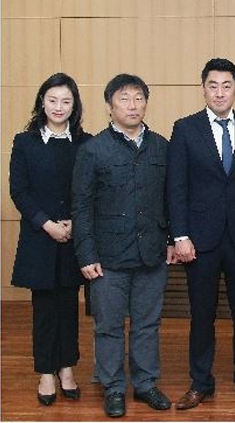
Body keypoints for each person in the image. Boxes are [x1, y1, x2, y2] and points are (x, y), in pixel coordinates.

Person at [167, 58, 235, 411]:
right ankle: (200, 383)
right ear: (203, 89)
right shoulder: (185, 129)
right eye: (213, 85)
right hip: (199, 239)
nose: (220, 92)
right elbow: (176, 186)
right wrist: (179, 235)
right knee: (202, 314)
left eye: (227, 86)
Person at [72, 74, 173, 418]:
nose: (132, 105)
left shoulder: (161, 147)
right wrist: (86, 254)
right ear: (109, 106)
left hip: (151, 253)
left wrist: (171, 239)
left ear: (146, 103)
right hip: (107, 257)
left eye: (138, 98)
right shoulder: (93, 150)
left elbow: (171, 199)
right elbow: (81, 206)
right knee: (108, 327)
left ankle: (145, 384)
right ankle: (114, 387)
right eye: (124, 99)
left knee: (147, 324)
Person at [9, 73, 91, 407]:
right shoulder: (25, 142)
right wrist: (46, 224)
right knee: (43, 308)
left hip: (73, 238)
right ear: (42, 102)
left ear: (74, 106)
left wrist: (74, 222)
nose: (59, 107)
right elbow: (19, 191)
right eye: (52, 100)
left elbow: (91, 190)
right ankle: (45, 372)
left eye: (66, 101)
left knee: (69, 306)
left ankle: (67, 369)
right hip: (40, 238)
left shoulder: (85, 143)